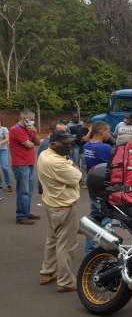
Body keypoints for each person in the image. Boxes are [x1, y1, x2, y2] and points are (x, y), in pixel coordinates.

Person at [37, 130, 82, 292]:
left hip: (51, 204)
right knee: (66, 246)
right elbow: (78, 176)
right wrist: (72, 164)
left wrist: (69, 162)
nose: (69, 146)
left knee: (52, 240)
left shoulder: (44, 154)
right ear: (54, 144)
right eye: (66, 143)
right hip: (63, 207)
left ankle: (47, 272)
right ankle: (65, 282)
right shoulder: (58, 163)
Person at [82, 122, 114, 253]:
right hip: (104, 187)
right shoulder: (105, 148)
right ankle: (102, 249)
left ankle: (89, 248)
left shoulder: (87, 145)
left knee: (95, 216)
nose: (110, 134)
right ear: (101, 131)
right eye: (108, 131)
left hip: (92, 184)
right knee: (107, 217)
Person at [9, 110, 41, 225]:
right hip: (20, 164)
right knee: (23, 191)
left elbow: (37, 143)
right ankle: (21, 216)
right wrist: (31, 140)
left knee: (28, 191)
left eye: (33, 119)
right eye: (30, 119)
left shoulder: (30, 129)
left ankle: (26, 212)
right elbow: (29, 145)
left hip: (29, 163)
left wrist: (35, 132)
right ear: (23, 118)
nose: (32, 121)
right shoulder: (15, 130)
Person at [0, 119, 12, 194]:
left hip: (3, 150)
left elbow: (7, 139)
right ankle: (0, 183)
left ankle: (8, 184)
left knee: (4, 167)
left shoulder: (4, 129)